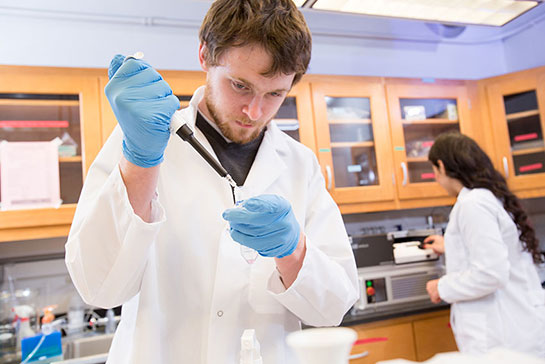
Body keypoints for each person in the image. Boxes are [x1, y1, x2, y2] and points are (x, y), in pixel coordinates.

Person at [64, 1, 359, 363]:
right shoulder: (139, 140)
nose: (254, 111)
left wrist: (293, 250)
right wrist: (141, 162)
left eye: (275, 94)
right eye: (240, 85)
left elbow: (332, 309)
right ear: (205, 55)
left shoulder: (301, 165)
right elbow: (98, 285)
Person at [422, 132, 545, 357]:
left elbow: (491, 273)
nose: (436, 179)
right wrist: (451, 246)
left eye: (434, 171)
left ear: (441, 166)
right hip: (517, 325)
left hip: (501, 332)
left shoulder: (473, 204)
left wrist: (441, 287)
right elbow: (499, 250)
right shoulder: (487, 197)